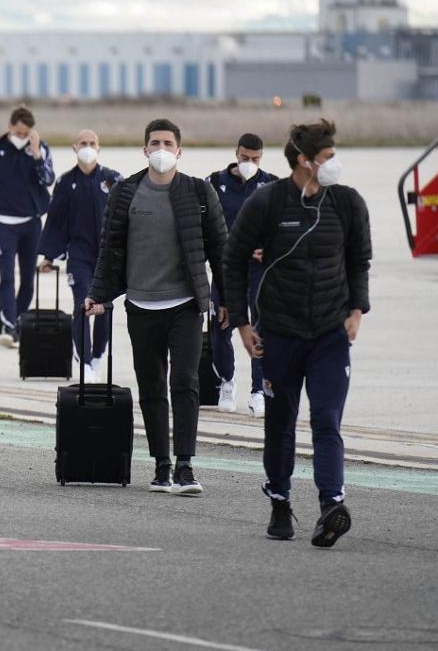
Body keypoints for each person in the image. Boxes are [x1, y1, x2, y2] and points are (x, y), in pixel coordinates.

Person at [222, 119, 370, 547]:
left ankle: (331, 505)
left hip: (329, 334)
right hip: (279, 334)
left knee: (326, 419)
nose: (334, 163)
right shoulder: (267, 201)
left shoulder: (347, 202)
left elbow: (359, 260)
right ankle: (280, 500)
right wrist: (243, 324)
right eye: (327, 157)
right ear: (304, 161)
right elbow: (233, 260)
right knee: (281, 424)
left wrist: (356, 310)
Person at [85, 118, 227, 495]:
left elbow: (221, 251)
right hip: (141, 305)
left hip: (185, 305)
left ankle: (185, 465)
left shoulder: (198, 192)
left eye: (167, 143)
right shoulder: (125, 192)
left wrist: (226, 300)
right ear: (145, 149)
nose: (161, 150)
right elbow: (109, 250)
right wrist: (98, 295)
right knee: (151, 386)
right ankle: (161, 465)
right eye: (155, 143)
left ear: (179, 151)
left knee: (185, 381)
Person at [38, 129, 121, 382]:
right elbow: (55, 220)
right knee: (82, 305)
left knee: (104, 308)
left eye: (92, 143)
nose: (87, 147)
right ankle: (84, 361)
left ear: (99, 148)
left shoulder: (113, 179)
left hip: (107, 256)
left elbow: (128, 217)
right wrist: (49, 256)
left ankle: (97, 355)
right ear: (75, 148)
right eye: (83, 143)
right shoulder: (65, 182)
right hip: (79, 255)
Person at [0, 106, 55, 348]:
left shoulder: (40, 148)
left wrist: (36, 154)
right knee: (6, 277)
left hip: (32, 223)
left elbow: (48, 180)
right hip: (3, 224)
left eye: (26, 133)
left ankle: (16, 321)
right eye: (18, 132)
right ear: (10, 127)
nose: (21, 137)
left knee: (28, 279)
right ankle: (8, 325)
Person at [206, 133, 277, 416]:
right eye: (245, 157)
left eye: (255, 159)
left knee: (260, 329)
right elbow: (205, 225)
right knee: (220, 327)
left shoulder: (272, 185)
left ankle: (258, 389)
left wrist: (269, 248)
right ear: (236, 153)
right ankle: (227, 380)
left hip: (258, 271)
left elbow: (283, 228)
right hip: (226, 268)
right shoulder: (215, 182)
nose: (249, 163)